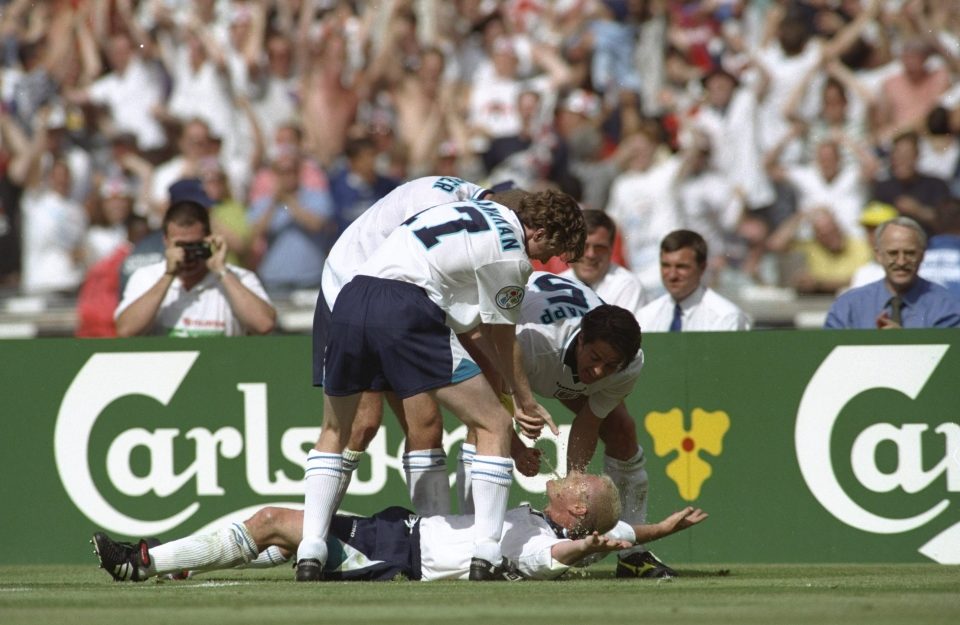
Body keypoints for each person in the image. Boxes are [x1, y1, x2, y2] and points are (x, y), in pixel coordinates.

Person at [298, 189, 585, 582]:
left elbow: (464, 318)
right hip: (404, 307)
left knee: (335, 430)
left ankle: (310, 548)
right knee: (494, 425)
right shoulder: (512, 255)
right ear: (539, 229)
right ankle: (486, 553)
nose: (544, 261)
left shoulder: (468, 210)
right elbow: (503, 336)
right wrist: (524, 401)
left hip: (350, 298)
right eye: (552, 248)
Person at [91, 472, 708, 582]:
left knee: (275, 522)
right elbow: (620, 536)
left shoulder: (542, 539)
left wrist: (584, 547)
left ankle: (140, 563)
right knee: (279, 528)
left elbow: (558, 557)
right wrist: (660, 530)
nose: (571, 475)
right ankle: (179, 560)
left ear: (575, 512)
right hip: (398, 531)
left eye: (580, 483)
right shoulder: (548, 519)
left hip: (398, 554)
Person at [114, 182, 276, 337]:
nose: (188, 255)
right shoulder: (147, 277)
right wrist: (168, 276)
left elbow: (264, 325)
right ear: (166, 241)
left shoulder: (238, 278)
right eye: (181, 246)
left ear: (208, 240)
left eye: (195, 246)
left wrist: (222, 271)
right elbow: (126, 330)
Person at [824, 216, 960, 329]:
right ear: (878, 255)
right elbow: (827, 354)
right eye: (893, 253)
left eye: (910, 253)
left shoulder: (946, 305)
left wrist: (901, 343)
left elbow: (950, 358)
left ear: (923, 255)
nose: (901, 262)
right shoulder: (848, 306)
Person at [637, 230, 751, 332]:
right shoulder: (646, 316)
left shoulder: (725, 317)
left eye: (681, 267)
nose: (672, 275)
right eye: (666, 266)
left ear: (702, 267)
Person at [560, 210, 647, 317]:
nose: (591, 254)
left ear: (611, 250)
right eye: (583, 246)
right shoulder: (555, 285)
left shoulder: (627, 286)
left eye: (599, 248)